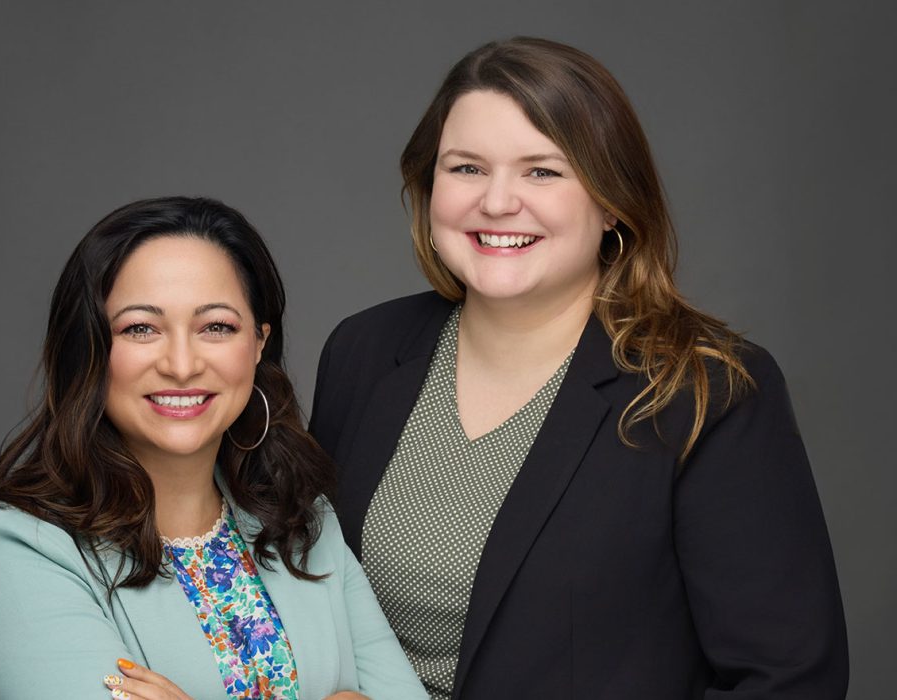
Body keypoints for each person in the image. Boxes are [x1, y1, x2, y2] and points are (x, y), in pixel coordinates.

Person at [309, 37, 848, 699]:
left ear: (613, 199)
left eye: (542, 171)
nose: (498, 202)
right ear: (429, 186)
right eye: (466, 168)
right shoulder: (364, 351)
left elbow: (787, 680)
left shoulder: (706, 390)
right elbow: (311, 603)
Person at [0, 197, 427, 700]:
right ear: (88, 346)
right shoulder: (17, 553)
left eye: (216, 327)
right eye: (140, 328)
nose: (181, 364)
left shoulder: (303, 524)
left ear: (259, 343)